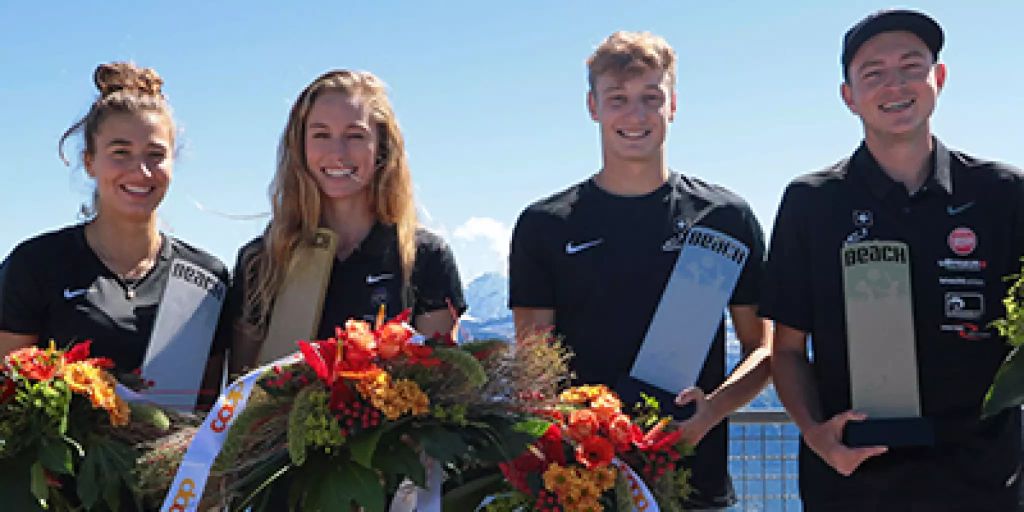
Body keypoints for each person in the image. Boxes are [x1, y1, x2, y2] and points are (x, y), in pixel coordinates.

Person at [761, 9, 1024, 511]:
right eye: (873, 73)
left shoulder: (1004, 194)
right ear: (849, 97)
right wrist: (817, 436)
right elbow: (787, 350)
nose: (895, 84)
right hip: (855, 485)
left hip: (984, 482)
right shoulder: (811, 202)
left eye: (911, 66)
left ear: (939, 77)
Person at [509, 31, 772, 510]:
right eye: (618, 99)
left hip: (697, 482)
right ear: (593, 107)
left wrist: (711, 410)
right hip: (581, 484)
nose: (635, 115)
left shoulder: (725, 217)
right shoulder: (544, 225)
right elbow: (534, 368)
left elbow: (765, 350)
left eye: (651, 98)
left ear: (673, 106)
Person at [0, 62, 229, 409]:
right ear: (90, 161)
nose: (141, 171)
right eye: (120, 153)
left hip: (172, 462)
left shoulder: (208, 278)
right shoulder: (35, 264)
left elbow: (206, 411)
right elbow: (9, 403)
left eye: (156, 155)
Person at [225, 69, 466, 376]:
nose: (337, 153)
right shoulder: (263, 260)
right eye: (321, 135)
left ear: (381, 147)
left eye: (355, 136)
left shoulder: (423, 256)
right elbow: (239, 394)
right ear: (300, 146)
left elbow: (445, 388)